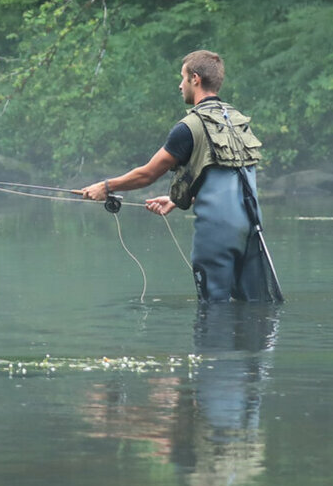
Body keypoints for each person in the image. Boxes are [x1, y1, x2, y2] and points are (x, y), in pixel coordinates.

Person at [78, 50, 277, 302]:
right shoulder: (236, 121)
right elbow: (232, 180)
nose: (179, 84)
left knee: (213, 309)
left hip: (215, 234)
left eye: (182, 77)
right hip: (251, 228)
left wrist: (106, 186)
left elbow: (147, 175)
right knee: (254, 310)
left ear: (195, 78)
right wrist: (178, 199)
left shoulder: (188, 127)